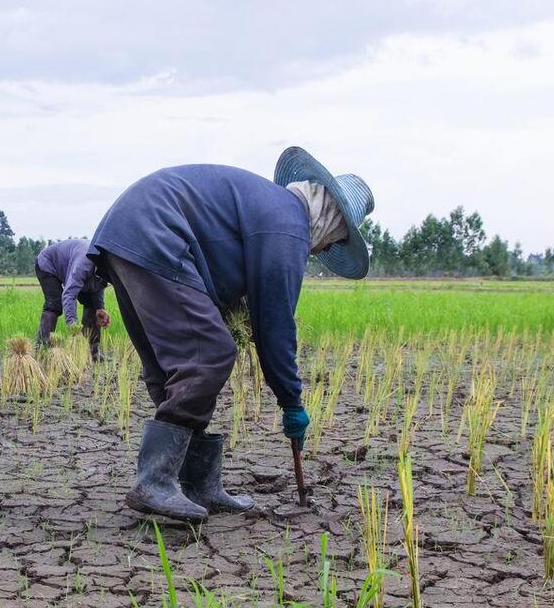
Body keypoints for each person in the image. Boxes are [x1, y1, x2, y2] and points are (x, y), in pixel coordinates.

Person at [88, 147, 374, 521]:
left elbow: (228, 288)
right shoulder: (288, 225)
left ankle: (197, 484)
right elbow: (275, 324)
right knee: (210, 354)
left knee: (171, 366)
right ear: (332, 220)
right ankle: (154, 481)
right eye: (335, 241)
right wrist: (291, 401)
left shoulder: (270, 211)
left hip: (128, 231)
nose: (324, 248)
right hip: (154, 230)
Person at [34, 238, 110, 359]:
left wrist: (100, 308)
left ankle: (93, 352)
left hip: (70, 268)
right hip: (48, 264)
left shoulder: (107, 265)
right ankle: (42, 349)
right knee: (54, 304)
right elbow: (69, 295)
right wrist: (73, 326)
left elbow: (99, 284)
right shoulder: (84, 264)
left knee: (93, 306)